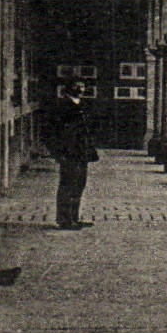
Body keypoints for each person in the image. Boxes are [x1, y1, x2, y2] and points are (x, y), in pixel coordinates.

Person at [47, 81, 98, 229]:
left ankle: (74, 218)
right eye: (77, 85)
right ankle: (64, 220)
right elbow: (51, 131)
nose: (81, 89)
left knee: (79, 185)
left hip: (82, 152)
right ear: (68, 88)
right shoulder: (61, 106)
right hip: (68, 153)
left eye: (82, 86)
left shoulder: (82, 105)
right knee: (67, 185)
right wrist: (57, 152)